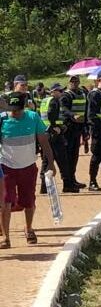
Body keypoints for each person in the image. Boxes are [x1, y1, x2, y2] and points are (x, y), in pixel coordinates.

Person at [0, 92, 57, 248]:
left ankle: (29, 228)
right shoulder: (2, 119)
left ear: (24, 107)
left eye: (18, 109)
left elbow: (45, 143)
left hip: (28, 167)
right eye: (12, 109)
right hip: (6, 168)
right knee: (5, 202)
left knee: (29, 201)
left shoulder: (33, 118)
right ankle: (6, 237)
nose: (14, 112)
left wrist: (51, 164)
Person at [40, 83, 77, 194]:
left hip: (45, 134)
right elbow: (51, 115)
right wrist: (56, 127)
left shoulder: (44, 100)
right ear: (54, 91)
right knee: (62, 160)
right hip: (54, 135)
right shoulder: (54, 101)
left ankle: (44, 187)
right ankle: (67, 185)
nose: (62, 93)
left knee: (46, 160)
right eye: (60, 91)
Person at [60, 75, 88, 187]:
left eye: (76, 81)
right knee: (67, 155)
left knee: (74, 156)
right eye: (72, 81)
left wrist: (85, 131)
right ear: (68, 83)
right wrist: (73, 115)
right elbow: (64, 109)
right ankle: (67, 181)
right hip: (68, 128)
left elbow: (85, 111)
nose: (74, 83)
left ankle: (73, 179)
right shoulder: (66, 95)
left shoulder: (82, 94)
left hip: (78, 128)